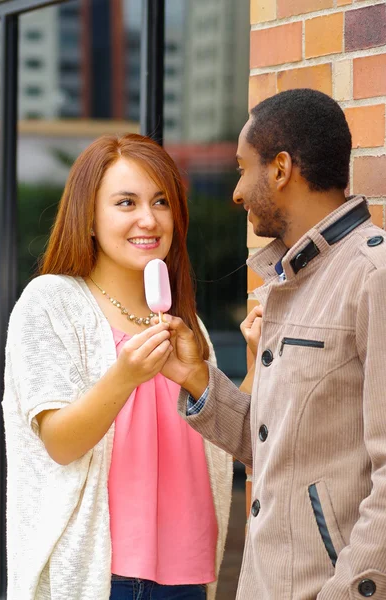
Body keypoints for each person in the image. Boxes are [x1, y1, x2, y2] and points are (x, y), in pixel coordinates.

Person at [159, 89, 386, 599]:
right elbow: (274, 446)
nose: (236, 192)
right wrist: (196, 377)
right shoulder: (291, 280)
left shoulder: (373, 277)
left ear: (281, 168)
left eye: (242, 168)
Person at [2, 133, 235, 600]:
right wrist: (126, 374)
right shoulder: (51, 303)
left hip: (188, 574)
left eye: (161, 201)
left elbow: (226, 441)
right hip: (99, 576)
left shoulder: (190, 327)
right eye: (126, 202)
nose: (148, 219)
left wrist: (230, 368)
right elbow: (60, 443)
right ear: (89, 218)